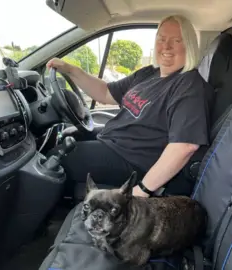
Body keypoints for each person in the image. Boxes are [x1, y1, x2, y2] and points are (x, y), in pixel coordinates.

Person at [46, 15, 214, 198]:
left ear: (188, 46)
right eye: (162, 39)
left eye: (176, 40)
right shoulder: (149, 74)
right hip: (112, 143)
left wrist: (142, 190)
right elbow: (104, 92)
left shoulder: (189, 86)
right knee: (63, 140)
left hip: (133, 162)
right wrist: (71, 70)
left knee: (55, 159)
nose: (166, 47)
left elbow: (185, 146)